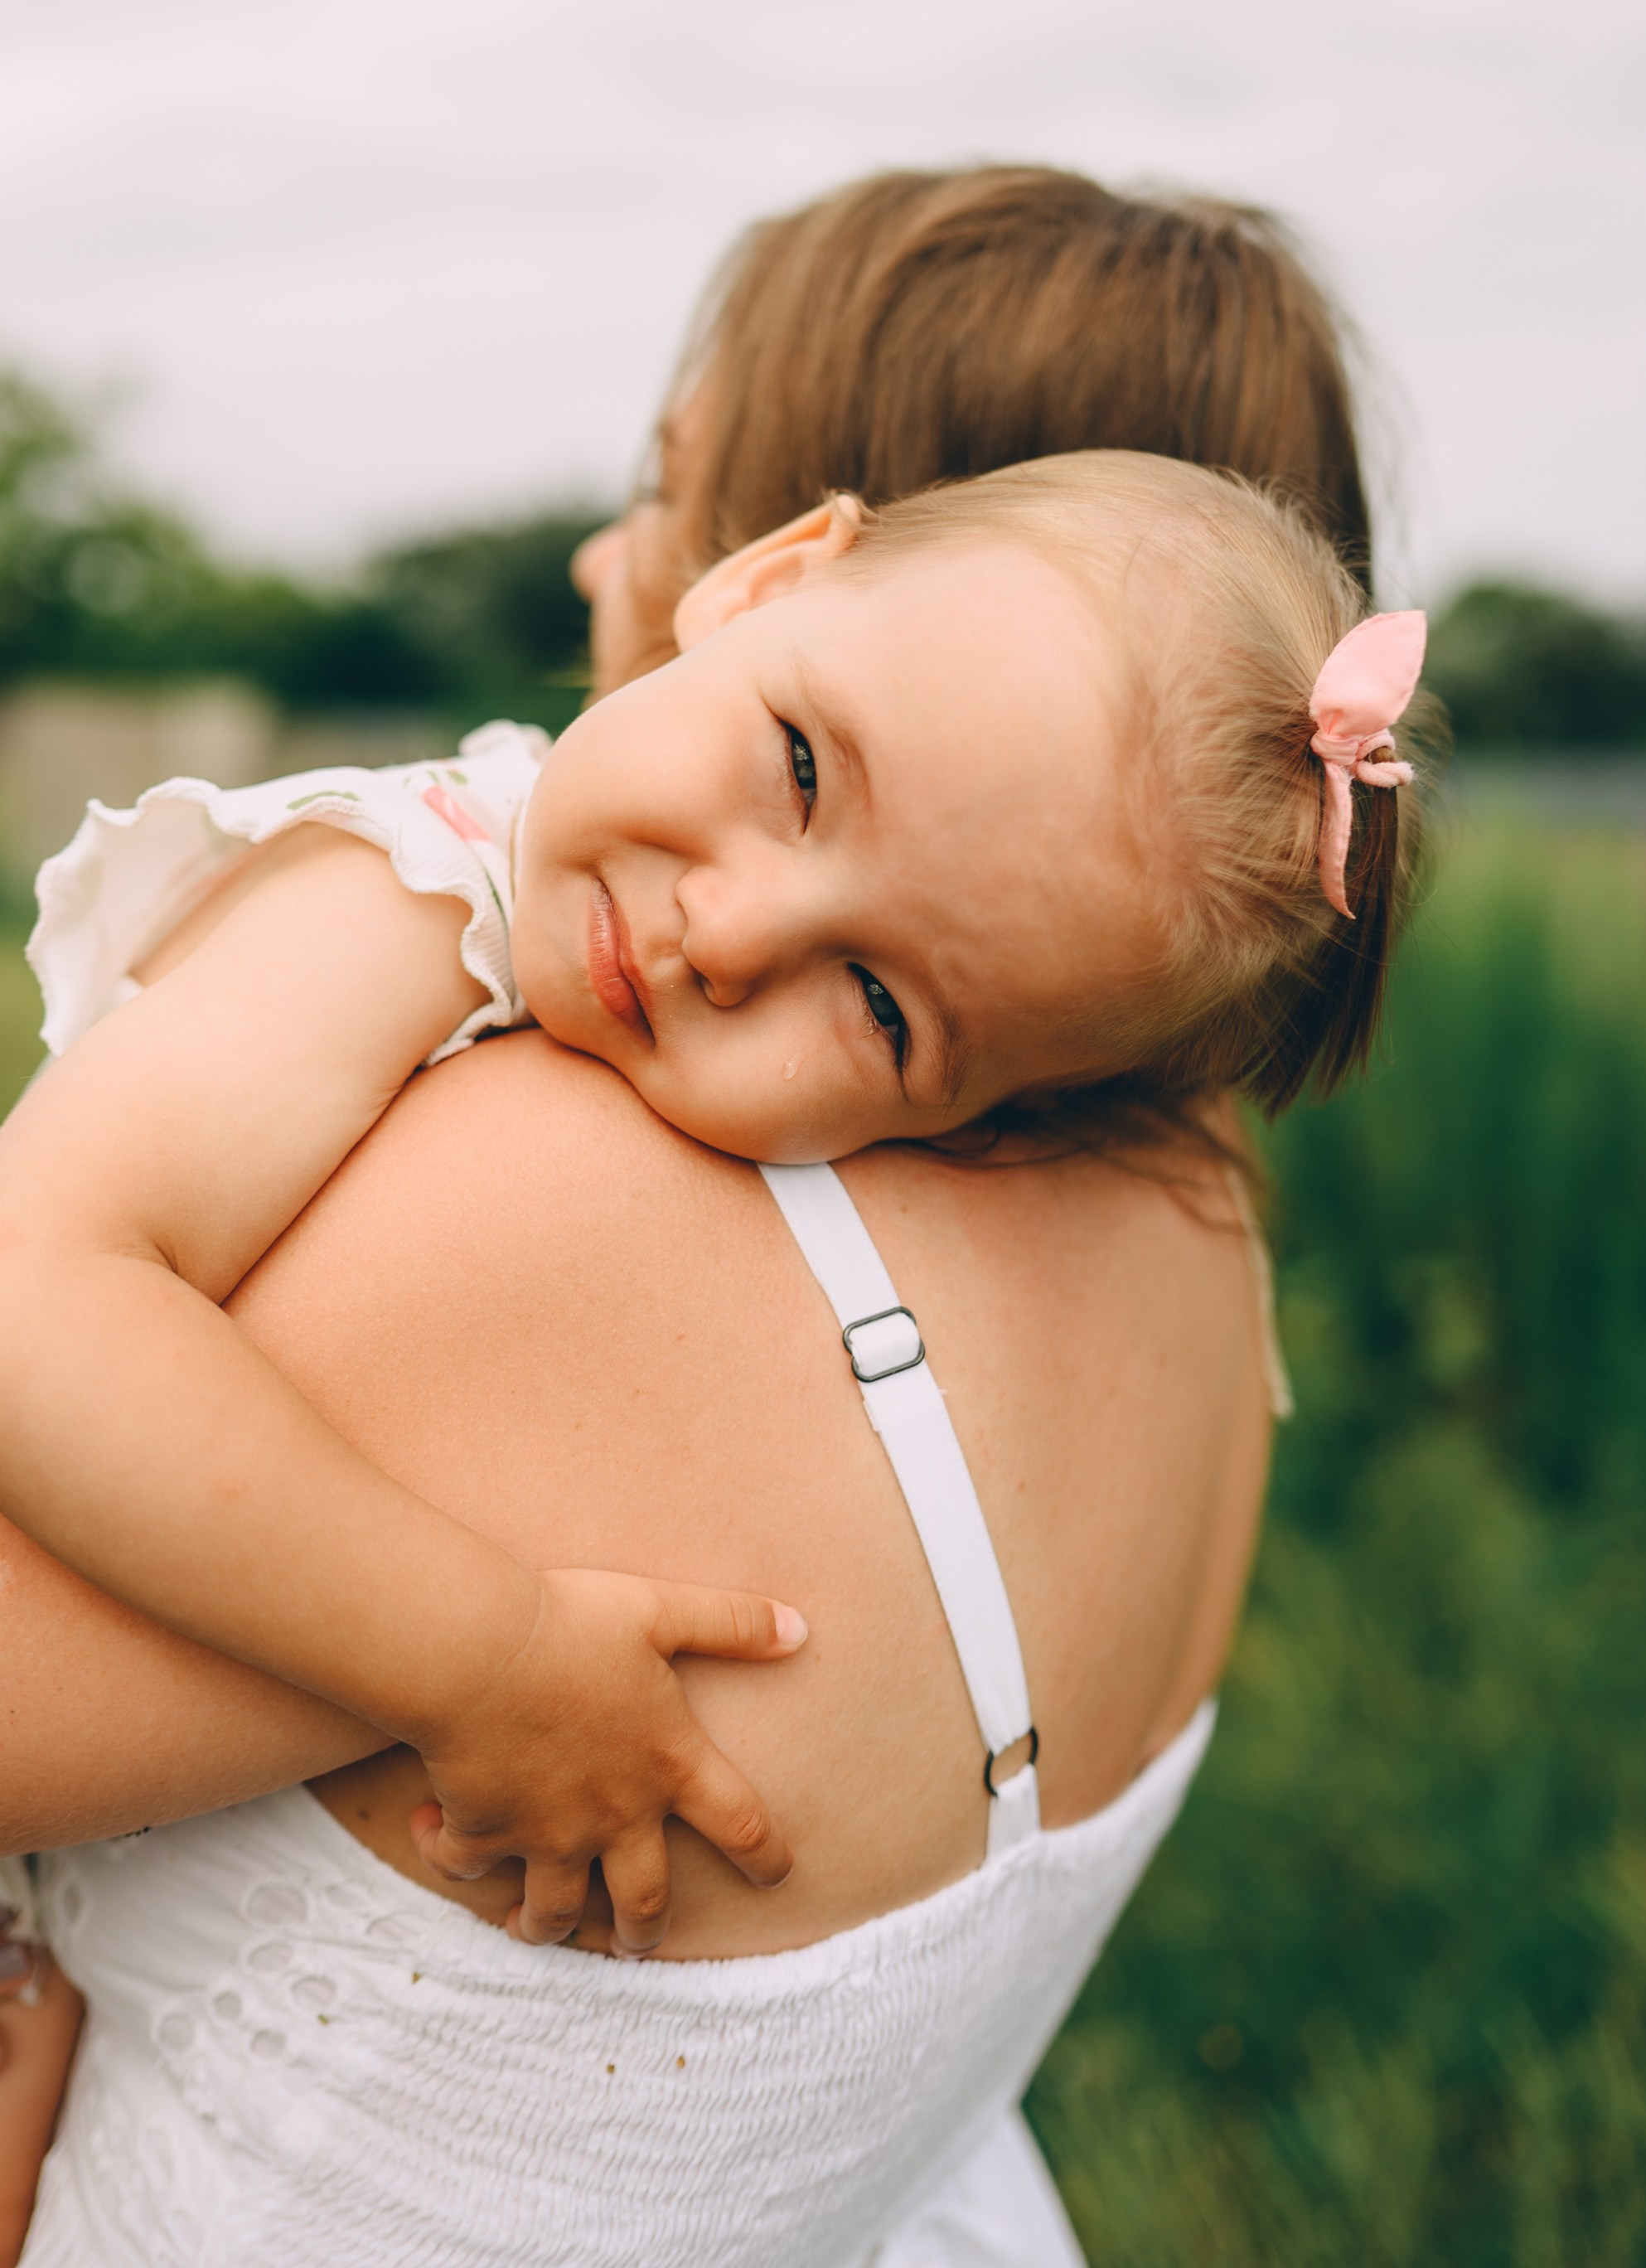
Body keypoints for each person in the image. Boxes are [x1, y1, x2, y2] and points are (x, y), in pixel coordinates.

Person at [0, 168, 1417, 2267]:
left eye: (884, 999)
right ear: (772, 586)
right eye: (800, 772)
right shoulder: (1194, 1240)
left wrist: (480, 1648)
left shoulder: (551, 1181)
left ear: (784, 524)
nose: (736, 928)